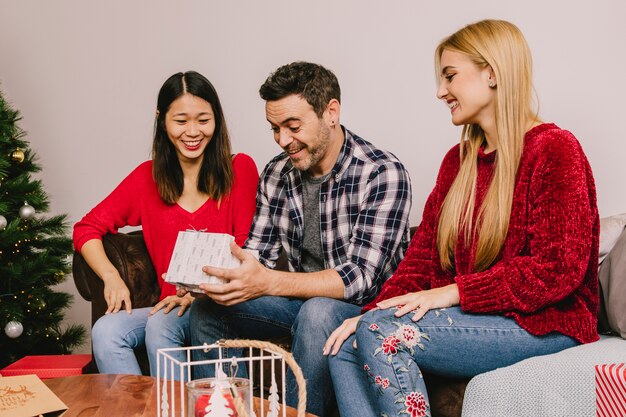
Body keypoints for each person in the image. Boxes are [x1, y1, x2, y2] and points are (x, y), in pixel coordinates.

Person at [325, 19, 599, 417]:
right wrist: (371, 313)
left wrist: (453, 292)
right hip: (483, 317)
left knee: (381, 333)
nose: (440, 92)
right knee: (343, 343)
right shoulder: (458, 162)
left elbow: (557, 269)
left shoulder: (555, 149)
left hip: (547, 324)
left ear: (492, 72)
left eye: (450, 76)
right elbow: (420, 260)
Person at [187, 61, 412, 416]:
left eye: (293, 126)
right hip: (298, 303)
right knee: (209, 307)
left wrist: (269, 281)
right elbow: (256, 254)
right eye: (274, 128)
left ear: (331, 112)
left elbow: (360, 280)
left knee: (318, 311)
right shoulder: (277, 173)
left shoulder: (382, 173)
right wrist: (216, 280)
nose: (282, 139)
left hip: (364, 309)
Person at [73, 71, 259, 378]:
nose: (193, 131)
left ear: (217, 120)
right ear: (162, 120)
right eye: (181, 120)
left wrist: (197, 293)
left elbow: (247, 248)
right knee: (107, 331)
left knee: (161, 323)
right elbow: (86, 229)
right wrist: (111, 277)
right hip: (170, 306)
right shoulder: (147, 178)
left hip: (219, 305)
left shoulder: (240, 169)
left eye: (203, 119)